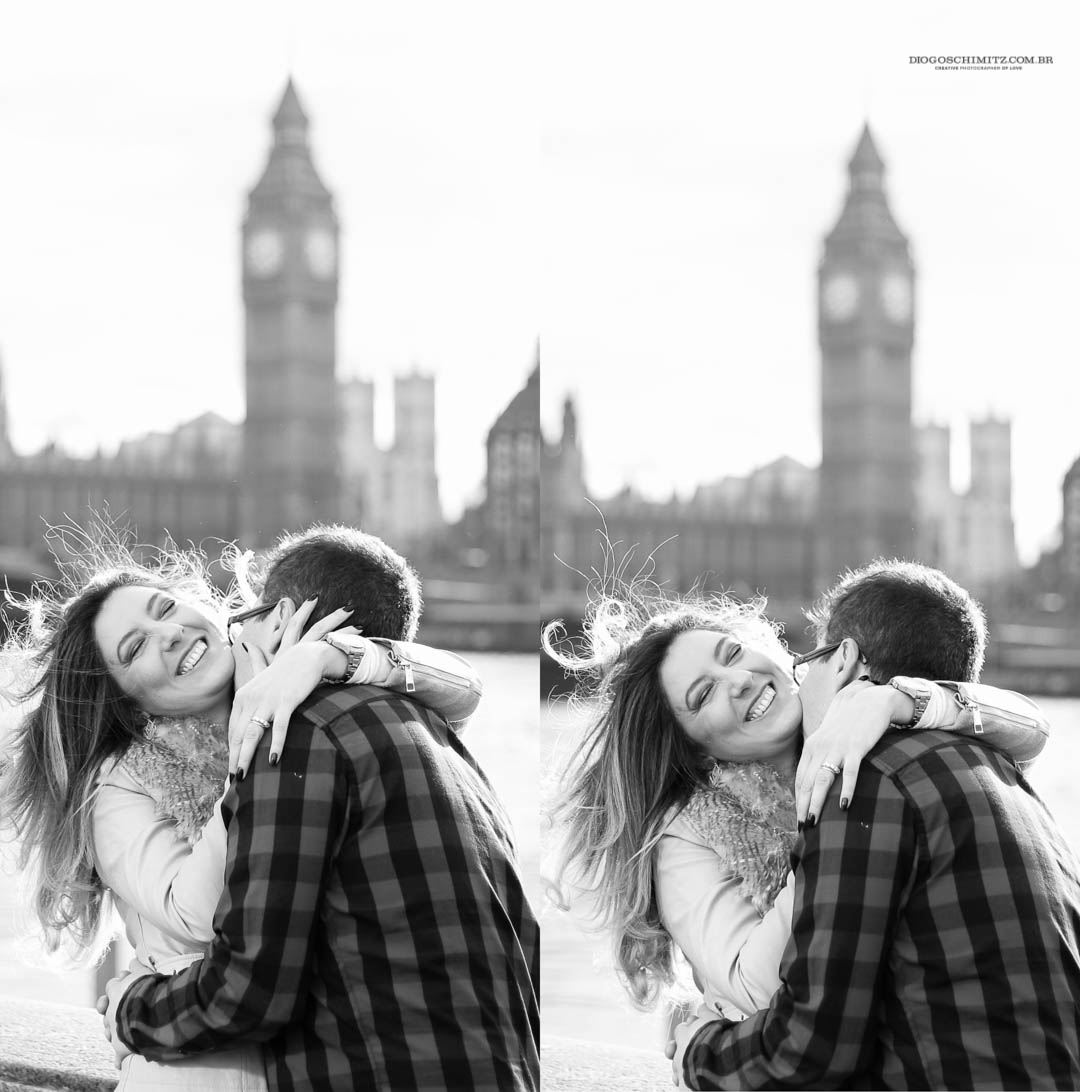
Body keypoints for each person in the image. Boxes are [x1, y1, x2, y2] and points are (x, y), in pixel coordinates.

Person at [0, 528, 483, 1092]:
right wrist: (245, 744)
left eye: (167, 609)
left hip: (301, 1051)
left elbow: (464, 690)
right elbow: (198, 916)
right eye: (134, 649)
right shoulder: (117, 781)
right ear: (123, 700)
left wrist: (331, 655)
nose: (169, 635)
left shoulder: (297, 695)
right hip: (198, 1068)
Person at [104, 524, 541, 1092]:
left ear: (282, 616)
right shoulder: (438, 733)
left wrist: (129, 1009)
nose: (235, 631)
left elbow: (248, 994)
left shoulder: (294, 737)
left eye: (245, 616)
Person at [543, 568, 1047, 1026]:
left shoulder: (863, 711)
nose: (739, 681)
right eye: (704, 694)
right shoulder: (686, 830)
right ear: (691, 749)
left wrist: (903, 700)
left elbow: (1031, 730)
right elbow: (754, 988)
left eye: (733, 654)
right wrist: (823, 797)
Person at [672, 560, 1080, 1089]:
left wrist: (697, 1048)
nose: (799, 679)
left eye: (810, 662)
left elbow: (807, 1056)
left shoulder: (862, 782)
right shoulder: (999, 765)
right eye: (702, 693)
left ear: (843, 659)